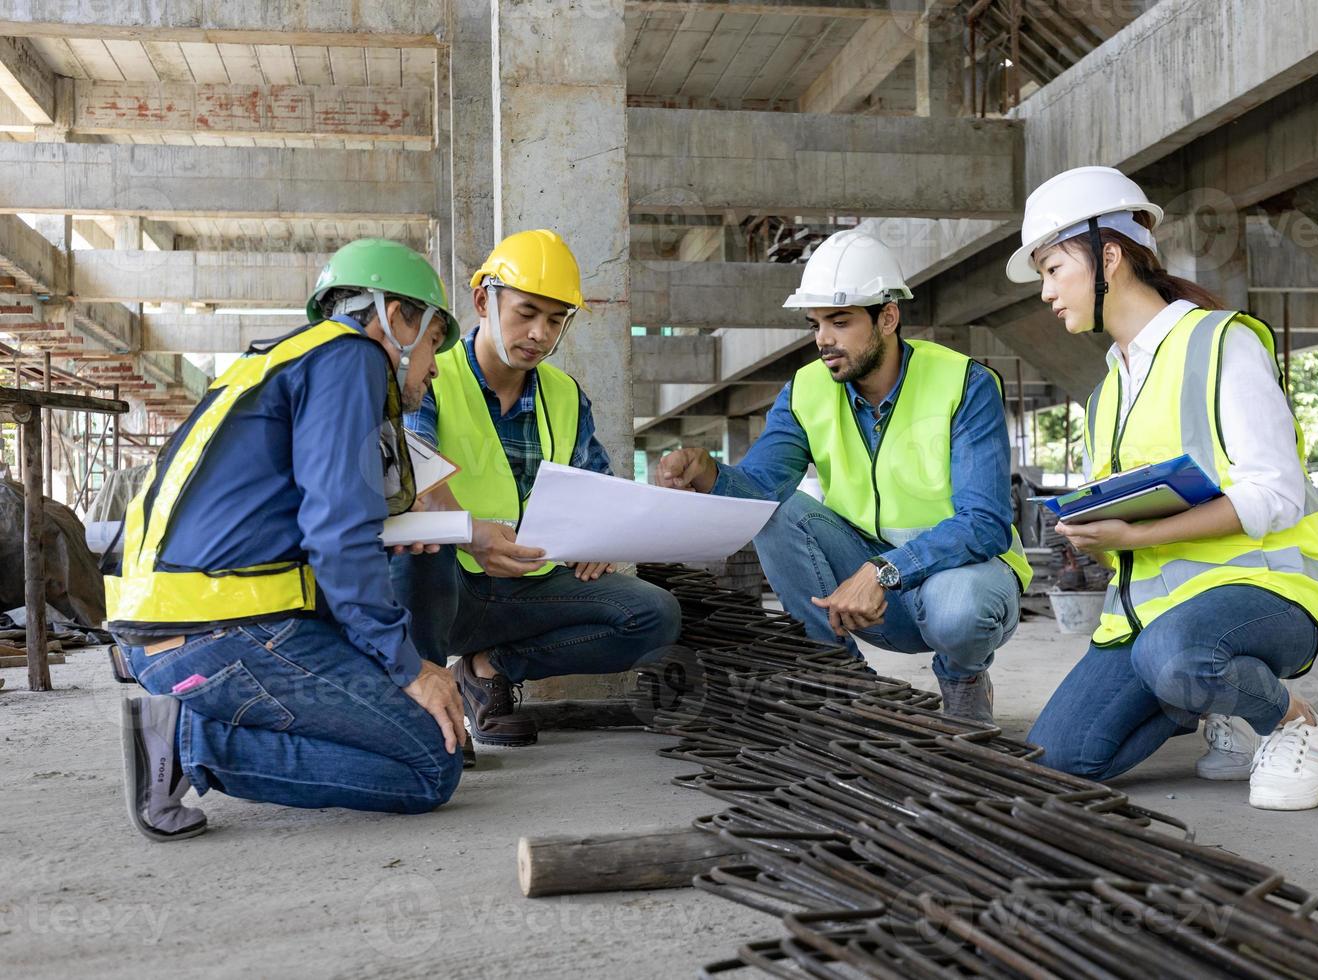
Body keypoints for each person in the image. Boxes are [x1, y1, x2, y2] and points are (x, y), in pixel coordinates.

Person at [107, 239, 467, 842]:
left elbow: (299, 524)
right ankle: (188, 738)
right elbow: (337, 533)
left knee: (420, 724)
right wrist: (407, 666)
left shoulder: (280, 361)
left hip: (175, 634)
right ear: (397, 317)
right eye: (434, 342)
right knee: (431, 762)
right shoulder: (353, 357)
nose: (433, 367)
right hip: (227, 634)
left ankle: (190, 720)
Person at [1011, 167, 1318, 810]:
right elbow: (1129, 538)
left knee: (1180, 656)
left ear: (1108, 256)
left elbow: (1274, 492)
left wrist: (1138, 532)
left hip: (1268, 594)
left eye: (1052, 268)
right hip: (1153, 616)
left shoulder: (1222, 343)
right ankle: (1215, 701)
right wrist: (1100, 538)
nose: (1046, 292)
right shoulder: (1108, 391)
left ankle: (1290, 722)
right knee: (1059, 759)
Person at [655, 230, 1032, 723]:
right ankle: (842, 677)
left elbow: (985, 523)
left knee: (958, 608)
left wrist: (883, 570)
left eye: (840, 321)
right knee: (779, 510)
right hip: (868, 597)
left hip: (958, 581)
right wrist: (709, 475)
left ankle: (962, 680)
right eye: (815, 324)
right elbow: (763, 487)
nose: (823, 340)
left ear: (888, 317)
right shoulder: (806, 391)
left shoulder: (964, 384)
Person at [390, 229, 681, 747]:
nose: (540, 333)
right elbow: (415, 478)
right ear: (483, 300)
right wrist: (470, 532)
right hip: (445, 587)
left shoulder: (566, 396)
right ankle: (423, 709)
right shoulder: (430, 373)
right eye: (526, 313)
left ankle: (487, 671)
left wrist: (597, 540)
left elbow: (596, 489)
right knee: (422, 542)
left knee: (653, 616)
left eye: (555, 320)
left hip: (528, 587)